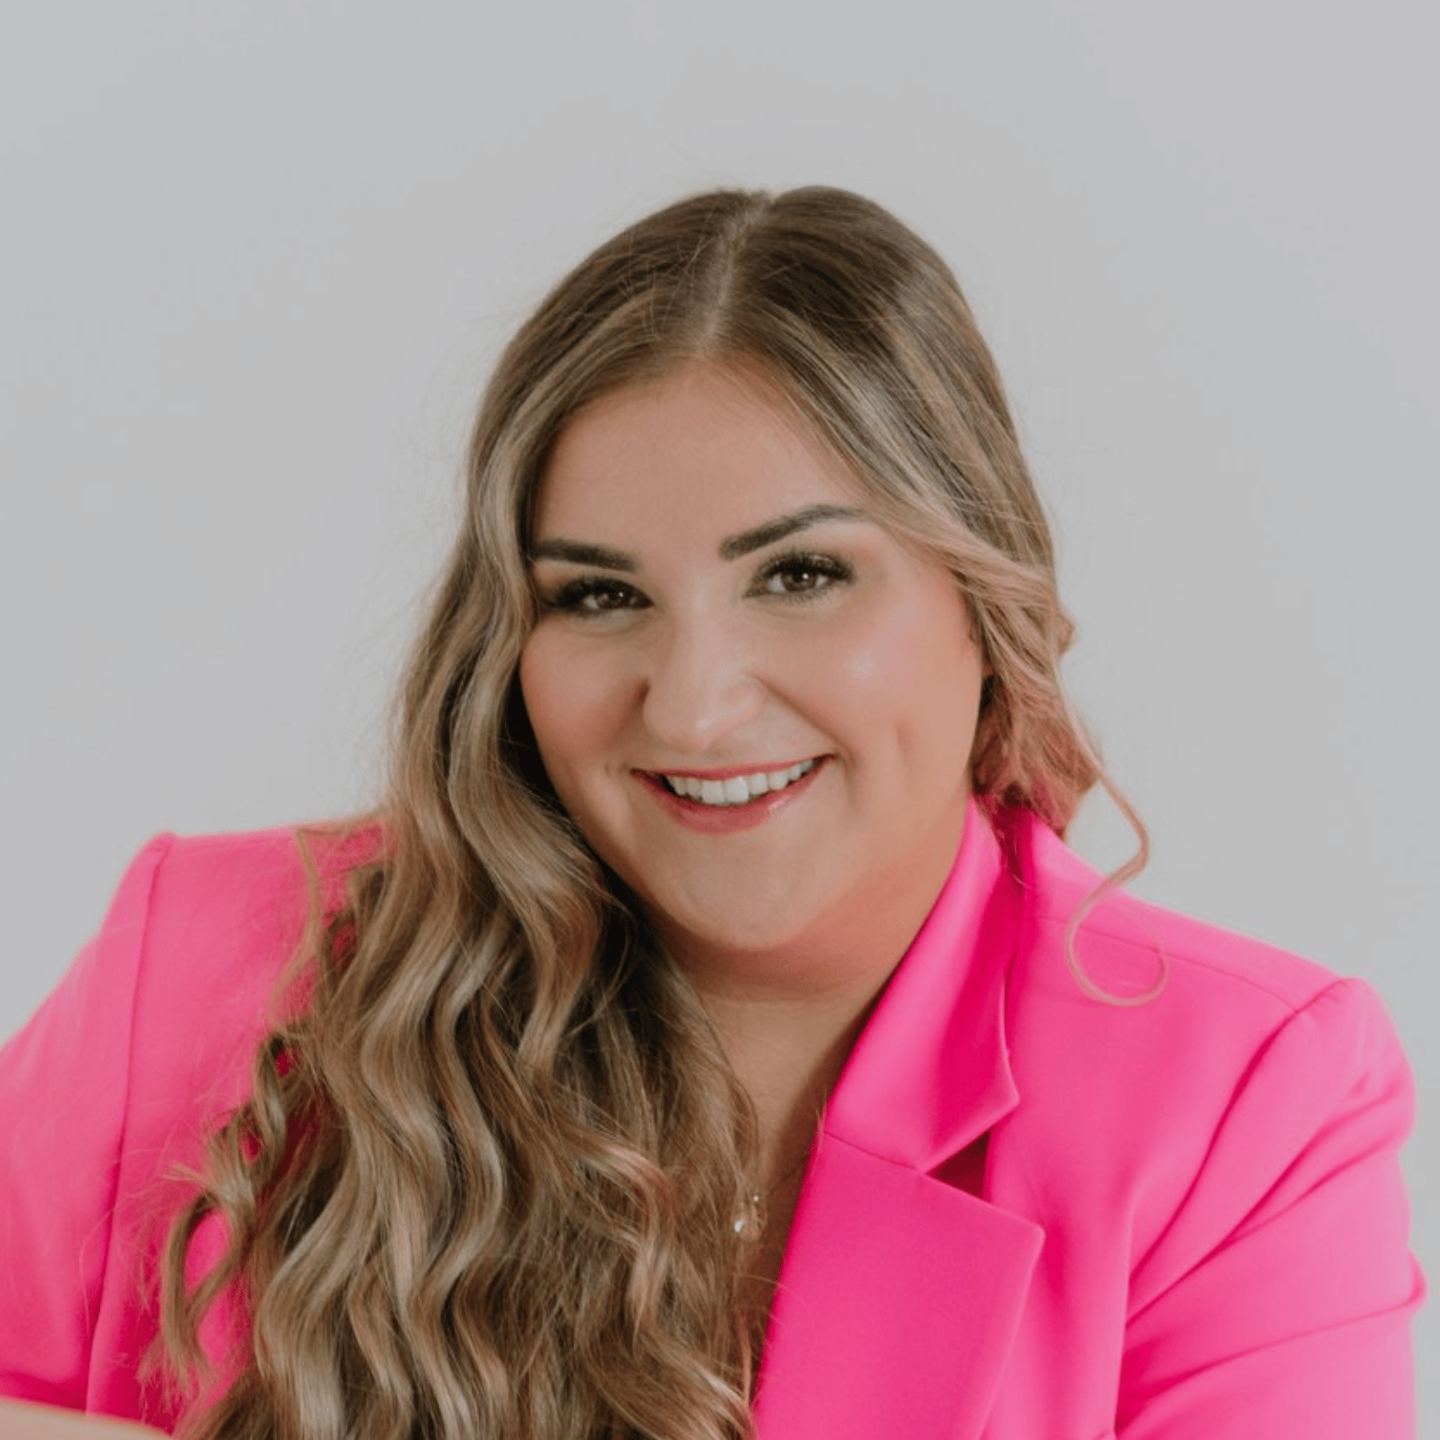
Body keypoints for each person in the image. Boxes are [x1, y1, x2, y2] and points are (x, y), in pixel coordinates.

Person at [0, 187, 1422, 1440]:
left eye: (799, 577)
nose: (690, 709)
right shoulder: (202, 963)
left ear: (983, 602)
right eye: (599, 595)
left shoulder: (1244, 1108)